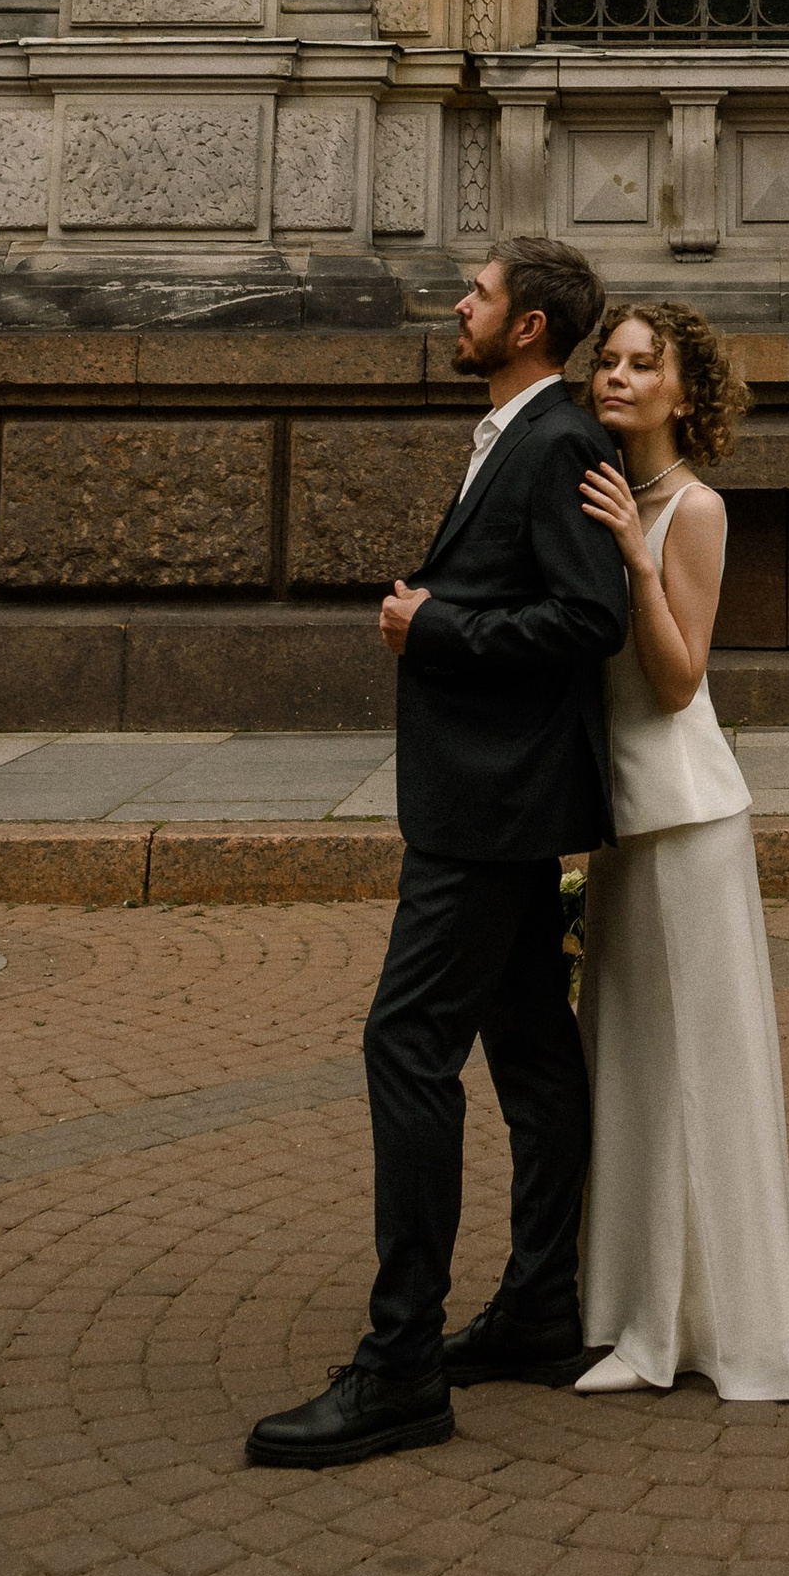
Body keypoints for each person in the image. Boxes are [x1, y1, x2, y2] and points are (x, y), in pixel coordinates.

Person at [247, 237, 627, 1469]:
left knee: (405, 1046)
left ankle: (402, 1365)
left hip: (491, 809)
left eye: (475, 294)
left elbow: (585, 619)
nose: (455, 306)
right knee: (527, 1048)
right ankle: (537, 1308)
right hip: (489, 801)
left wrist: (437, 623)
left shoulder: (560, 434)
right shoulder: (517, 430)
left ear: (525, 327)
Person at [571, 301, 789, 1403]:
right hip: (625, 818)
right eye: (606, 362)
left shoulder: (693, 509)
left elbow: (676, 683)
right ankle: (635, 1313)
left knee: (691, 1079)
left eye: (639, 366)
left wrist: (633, 553)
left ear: (682, 391)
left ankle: (691, 1336)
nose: (615, 378)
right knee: (624, 1071)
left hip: (686, 816)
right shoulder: (600, 486)